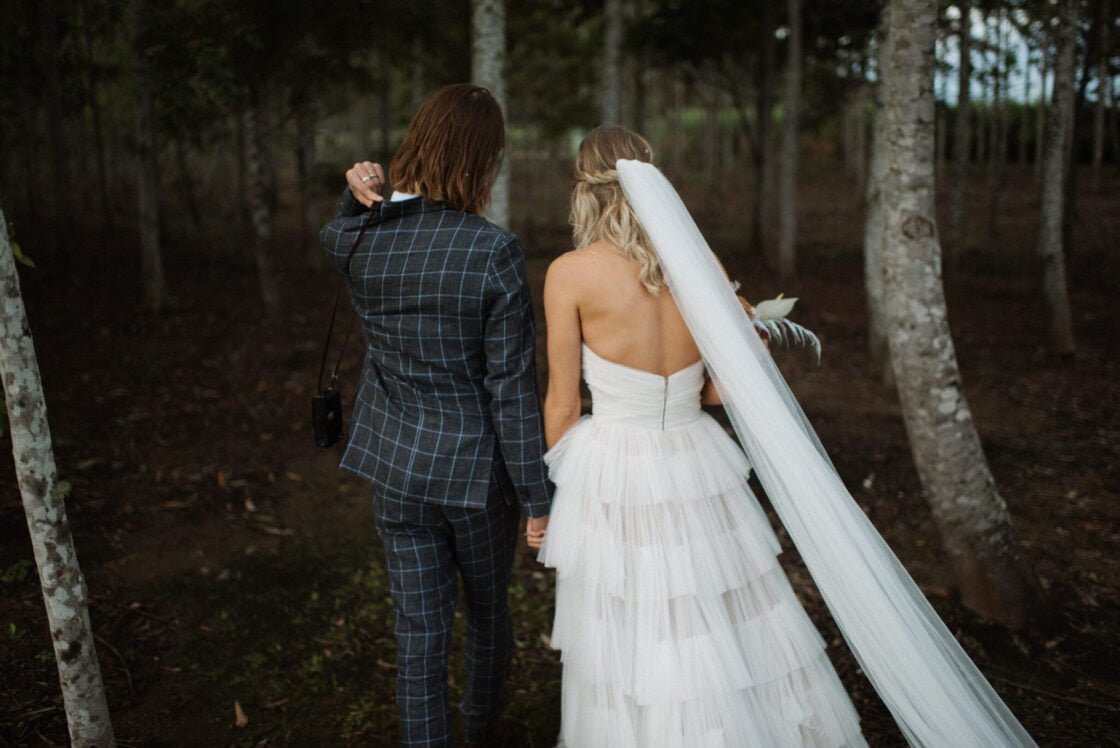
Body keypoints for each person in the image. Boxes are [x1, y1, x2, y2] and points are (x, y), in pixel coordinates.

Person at [532, 127, 1036, 747]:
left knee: (632, 619)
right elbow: (715, 393)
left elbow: (562, 402)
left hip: (616, 466)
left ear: (585, 189)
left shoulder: (570, 274)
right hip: (696, 459)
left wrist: (549, 498)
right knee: (719, 608)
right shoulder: (699, 265)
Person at [320, 83, 551, 748]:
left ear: (416, 144)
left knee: (418, 632)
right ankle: (482, 730)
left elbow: (332, 233)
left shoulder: (360, 243)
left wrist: (359, 194)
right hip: (476, 480)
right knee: (487, 615)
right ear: (484, 161)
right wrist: (537, 497)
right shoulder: (493, 250)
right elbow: (511, 387)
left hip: (396, 468)